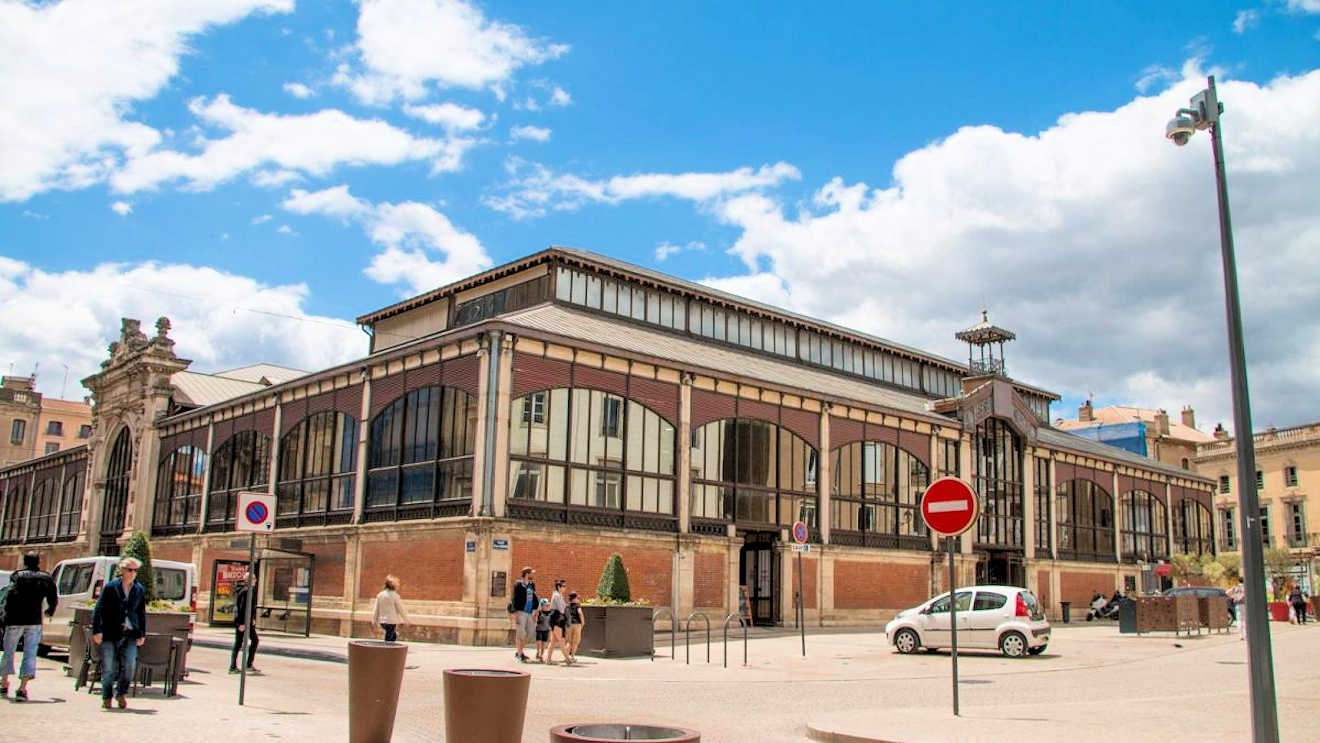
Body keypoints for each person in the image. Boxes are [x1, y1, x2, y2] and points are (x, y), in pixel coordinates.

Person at [91, 557, 148, 710]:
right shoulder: (111, 587)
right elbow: (99, 609)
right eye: (130, 570)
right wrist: (96, 630)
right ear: (122, 570)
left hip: (130, 633)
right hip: (110, 633)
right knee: (108, 668)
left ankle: (121, 693)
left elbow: (141, 612)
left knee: (129, 665)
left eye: (135, 570)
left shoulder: (139, 589)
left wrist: (142, 633)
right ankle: (107, 696)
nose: (133, 573)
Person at [0, 552, 58, 702]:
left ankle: (4, 682)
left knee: (8, 651)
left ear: (24, 562)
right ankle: (22, 688)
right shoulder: (46, 577)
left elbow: (9, 596)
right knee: (30, 653)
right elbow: (53, 597)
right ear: (39, 562)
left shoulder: (17, 576)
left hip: (14, 619)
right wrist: (50, 611)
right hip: (34, 620)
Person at [230, 575, 260, 674]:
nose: (256, 581)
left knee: (239, 643)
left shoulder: (245, 590)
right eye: (254, 579)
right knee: (244, 642)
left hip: (246, 621)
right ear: (249, 580)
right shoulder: (246, 591)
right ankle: (239, 666)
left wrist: (252, 619)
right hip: (244, 622)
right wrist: (241, 623)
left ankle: (238, 666)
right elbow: (242, 608)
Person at [373, 575, 410, 642]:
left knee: (393, 635)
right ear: (394, 585)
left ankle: (391, 649)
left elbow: (376, 609)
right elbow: (400, 609)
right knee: (389, 637)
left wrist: (374, 620)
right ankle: (386, 650)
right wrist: (406, 620)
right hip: (391, 621)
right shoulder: (395, 596)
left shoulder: (380, 595)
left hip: (382, 621)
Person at [511, 567, 537, 663]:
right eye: (531, 573)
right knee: (520, 633)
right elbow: (514, 598)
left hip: (530, 613)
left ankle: (519, 652)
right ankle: (520, 654)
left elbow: (534, 598)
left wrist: (535, 610)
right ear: (526, 574)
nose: (533, 575)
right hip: (520, 612)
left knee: (530, 633)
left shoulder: (532, 585)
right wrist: (515, 612)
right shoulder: (518, 584)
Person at [545, 579, 570, 665]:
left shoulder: (559, 595)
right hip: (556, 618)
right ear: (558, 587)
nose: (565, 588)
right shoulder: (557, 596)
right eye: (563, 586)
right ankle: (568, 659)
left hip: (557, 619)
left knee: (553, 641)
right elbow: (562, 609)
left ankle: (548, 659)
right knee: (561, 640)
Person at [565, 590, 585, 663]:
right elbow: (580, 613)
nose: (578, 599)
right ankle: (572, 656)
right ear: (574, 598)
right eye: (577, 597)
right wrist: (583, 622)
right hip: (577, 624)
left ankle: (566, 656)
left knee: (569, 642)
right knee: (575, 642)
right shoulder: (577, 605)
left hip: (569, 624)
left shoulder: (567, 605)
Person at [533, 598, 552, 662]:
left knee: (544, 643)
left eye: (548, 605)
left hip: (546, 629)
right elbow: (534, 618)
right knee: (538, 641)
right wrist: (536, 615)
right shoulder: (539, 612)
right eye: (546, 605)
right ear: (542, 606)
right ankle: (538, 651)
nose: (547, 607)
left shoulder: (550, 612)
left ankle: (541, 654)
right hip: (539, 629)